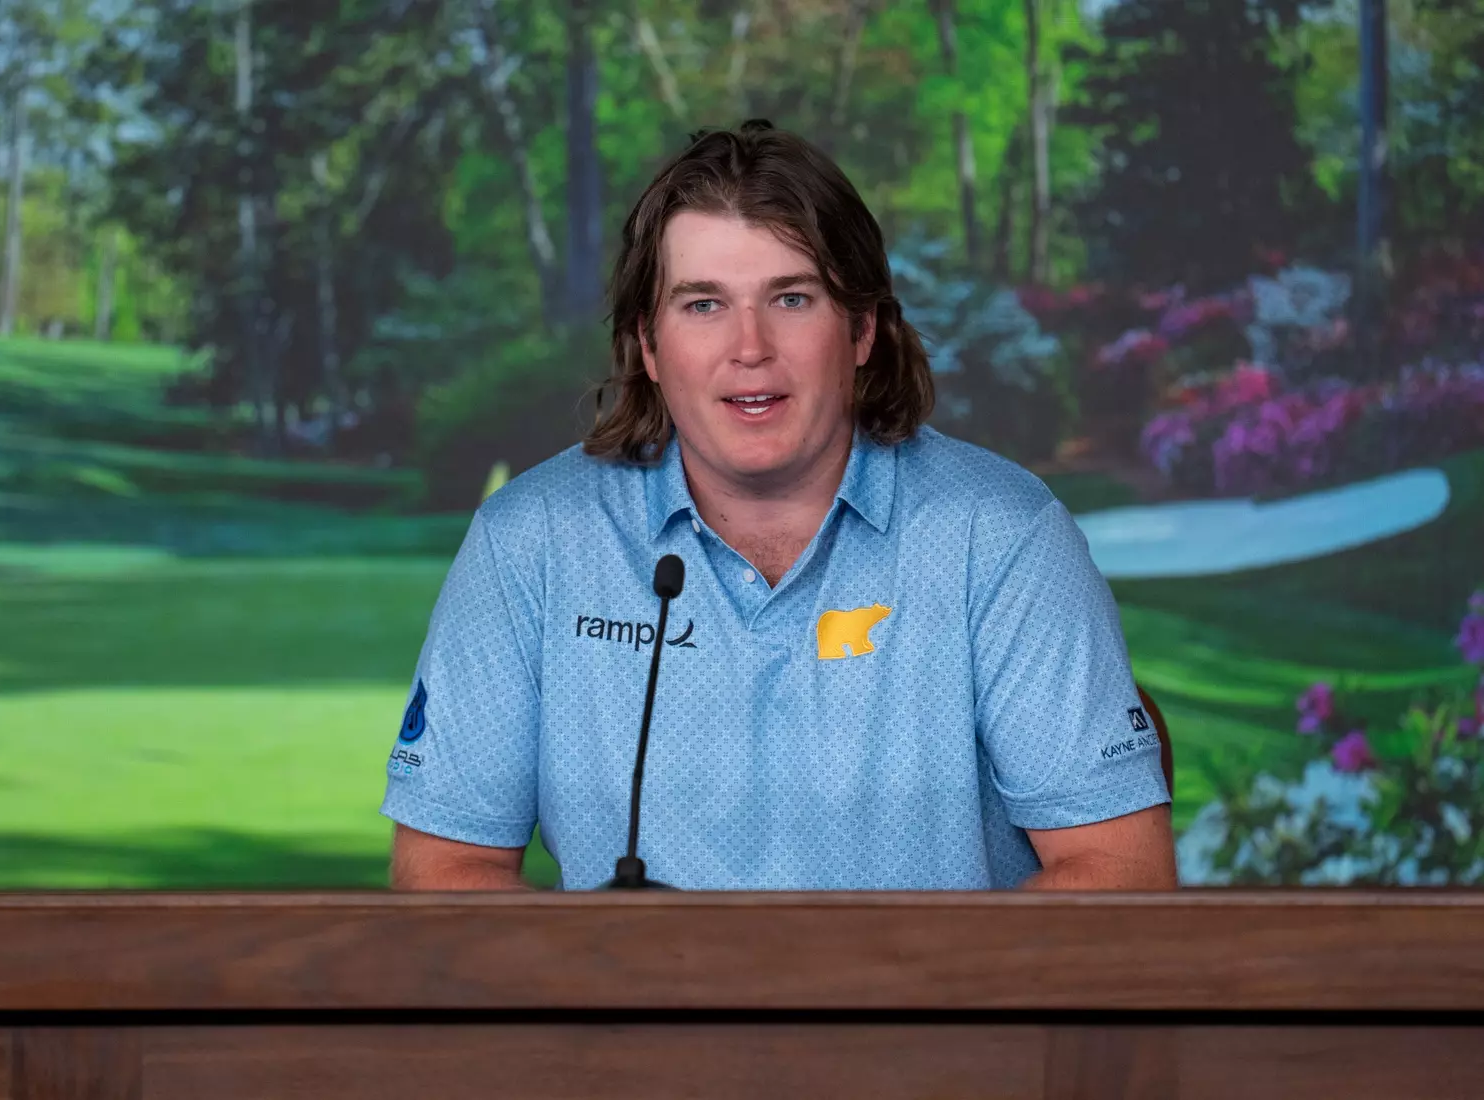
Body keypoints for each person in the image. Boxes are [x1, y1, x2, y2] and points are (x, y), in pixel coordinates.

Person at [382, 120, 1177, 891]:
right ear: (648, 347)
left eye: (791, 299)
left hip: (931, 1026)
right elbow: (446, 870)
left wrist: (886, 1014)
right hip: (633, 1028)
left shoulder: (1001, 536)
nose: (750, 346)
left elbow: (1120, 872)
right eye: (703, 304)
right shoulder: (531, 542)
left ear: (863, 328)